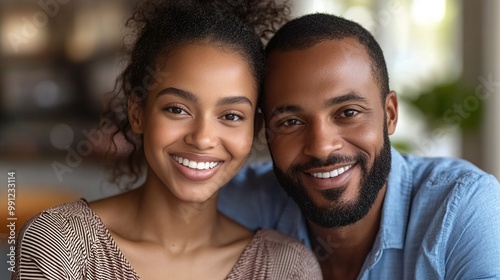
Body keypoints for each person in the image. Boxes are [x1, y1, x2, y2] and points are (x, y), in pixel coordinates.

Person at [13, 1, 322, 279]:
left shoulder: (287, 268)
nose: (202, 138)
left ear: (253, 129)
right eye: (177, 109)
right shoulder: (61, 246)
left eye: (230, 116)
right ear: (138, 113)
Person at [219, 13, 500, 279]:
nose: (321, 147)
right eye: (291, 122)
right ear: (265, 130)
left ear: (389, 114)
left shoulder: (463, 208)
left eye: (348, 113)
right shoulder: (234, 204)